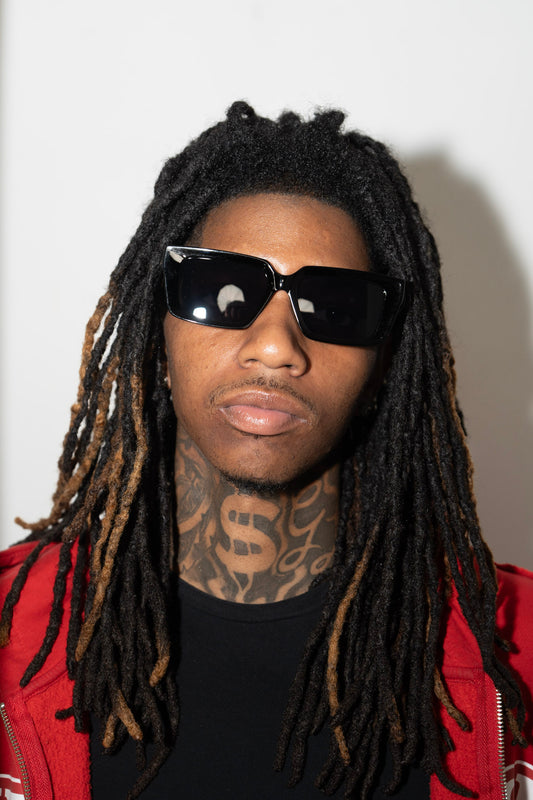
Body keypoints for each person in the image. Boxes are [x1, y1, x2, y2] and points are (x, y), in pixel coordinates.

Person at [0, 101, 532, 800]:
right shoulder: (9, 634)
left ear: (383, 365)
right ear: (157, 337)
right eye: (222, 293)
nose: (276, 346)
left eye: (334, 307)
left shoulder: (517, 645)